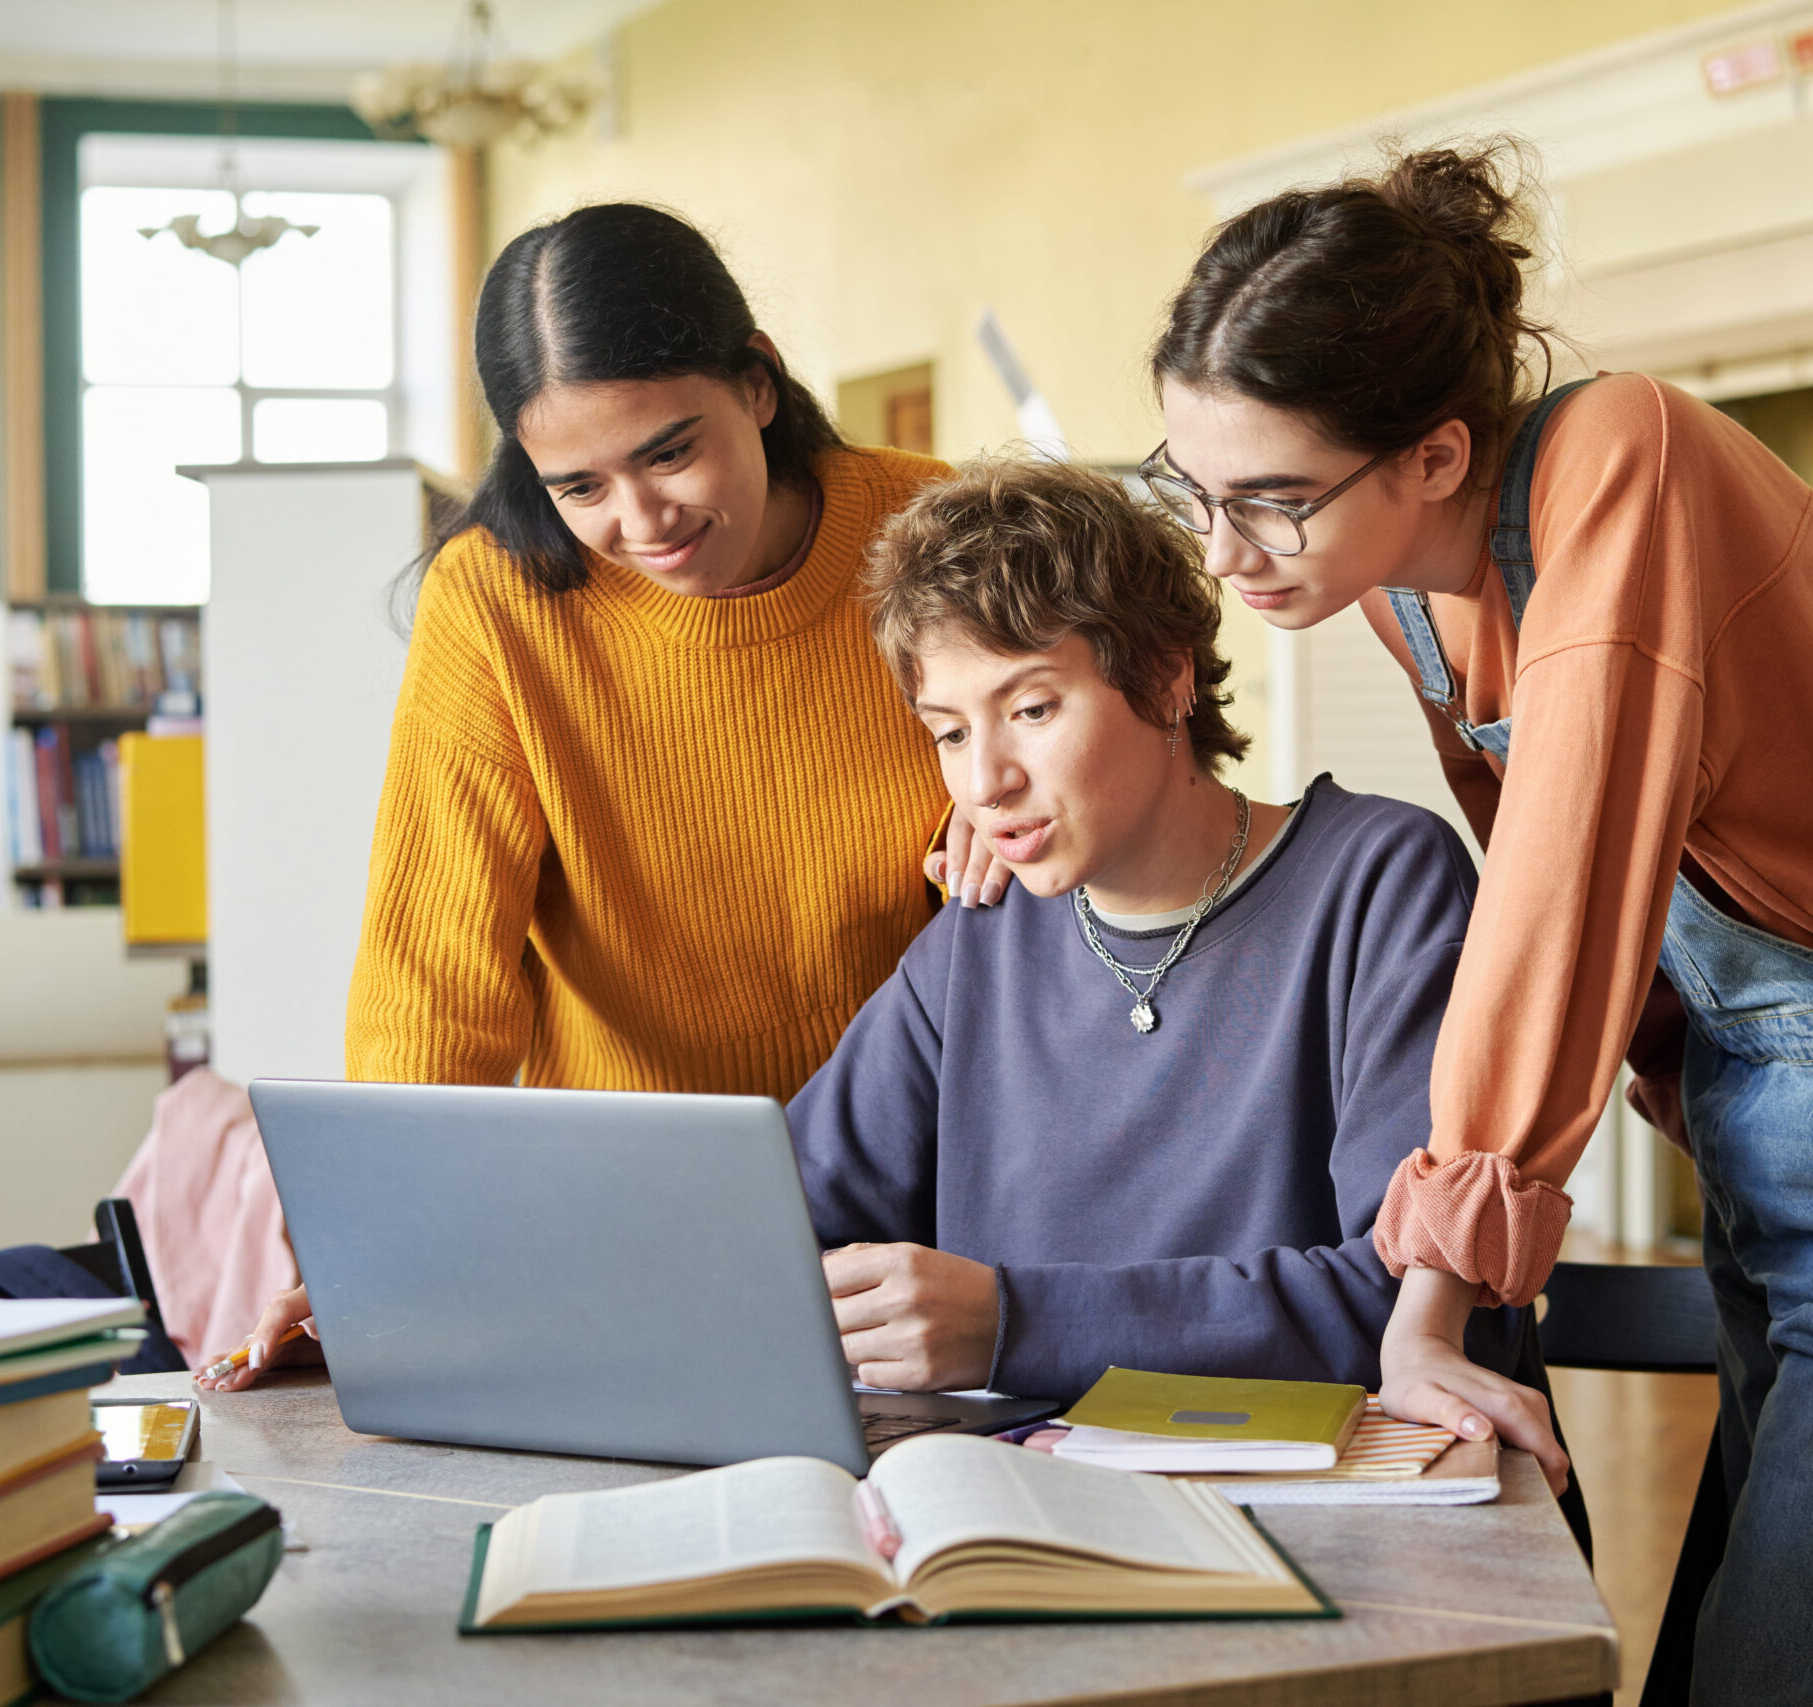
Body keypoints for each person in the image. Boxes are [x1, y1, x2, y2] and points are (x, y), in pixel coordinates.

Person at [1147, 142, 1813, 1704]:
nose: (1223, 550)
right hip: (1788, 1133)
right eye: (1192, 488)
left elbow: (1568, 875)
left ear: (1438, 455)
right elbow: (1589, 893)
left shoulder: (1626, 452)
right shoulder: (1407, 588)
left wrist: (1440, 1289)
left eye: (1270, 500)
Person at [204, 202, 953, 1392]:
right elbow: (433, 977)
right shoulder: (494, 601)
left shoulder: (934, 529)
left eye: (668, 451)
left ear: (757, 383)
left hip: (931, 1194)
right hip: (631, 1215)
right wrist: (382, 1263)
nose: (641, 522)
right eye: (577, 486)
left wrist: (1016, 820)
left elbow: (1091, 791)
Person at [784, 460, 1573, 1506]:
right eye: (949, 731)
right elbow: (776, 1220)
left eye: (1029, 709)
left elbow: (1399, 1293)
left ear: (1166, 679)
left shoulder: (1379, 881)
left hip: (1341, 1523)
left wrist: (1010, 1323)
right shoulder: (972, 947)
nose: (984, 782)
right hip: (1047, 1523)